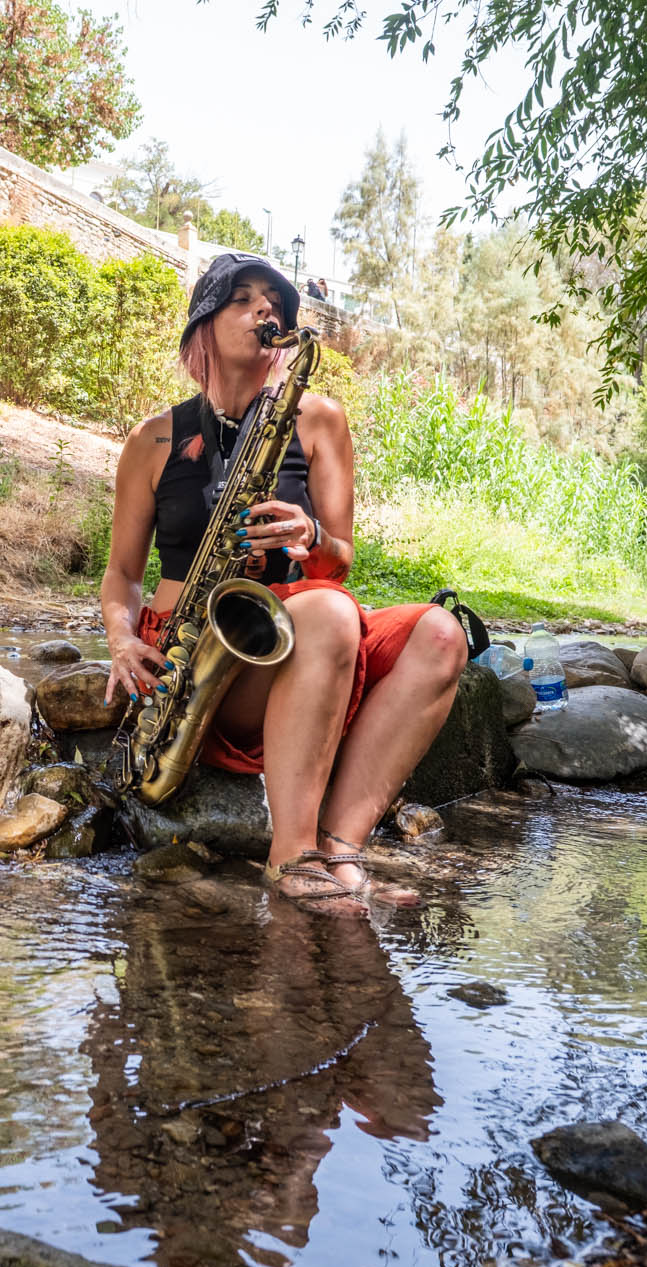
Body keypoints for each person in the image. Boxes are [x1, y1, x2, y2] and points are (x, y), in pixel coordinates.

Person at [100, 253, 466, 912]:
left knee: (441, 633)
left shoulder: (320, 420)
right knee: (329, 613)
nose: (265, 309)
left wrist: (313, 536)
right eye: (242, 298)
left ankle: (339, 849)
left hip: (294, 637)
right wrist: (121, 639)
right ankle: (291, 857)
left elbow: (338, 560)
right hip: (191, 661)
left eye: (274, 300)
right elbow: (124, 572)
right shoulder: (152, 440)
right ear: (203, 325)